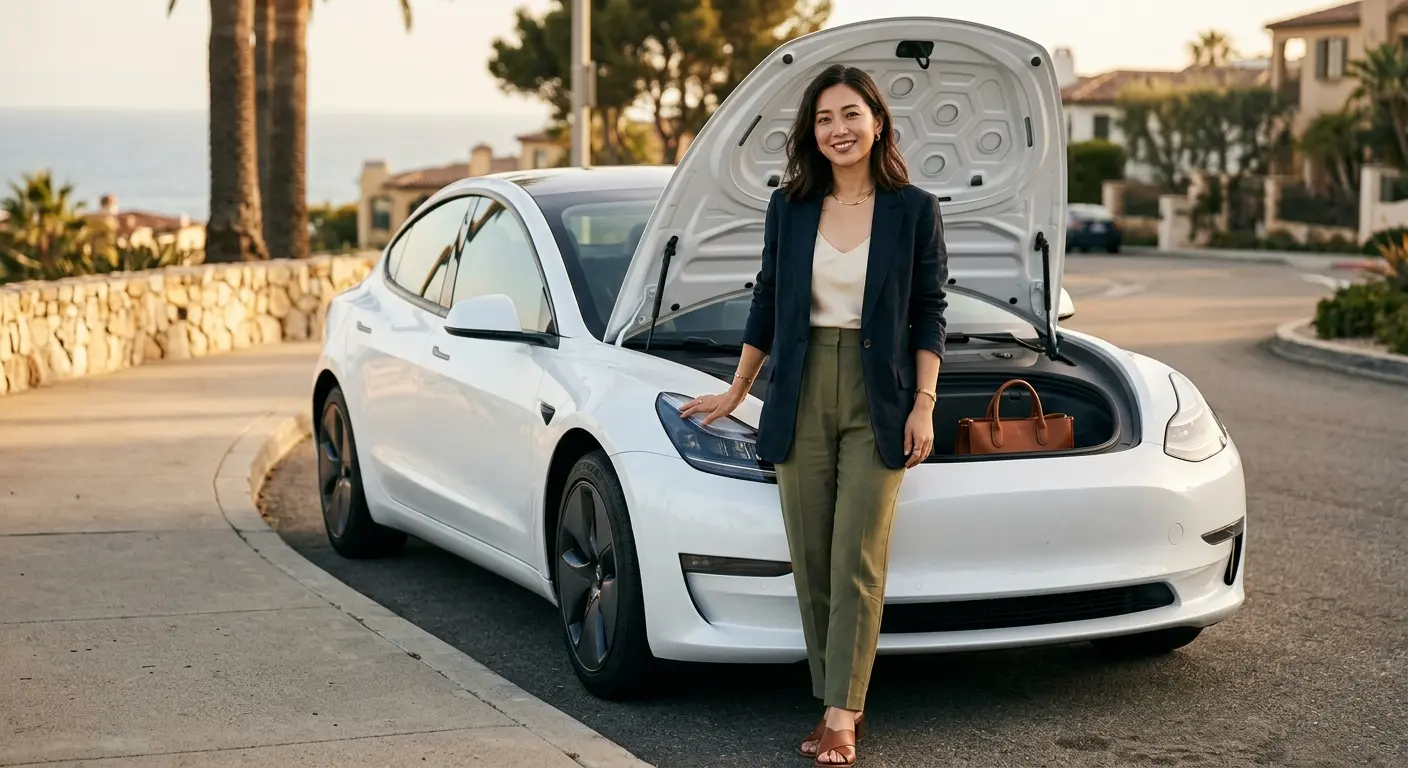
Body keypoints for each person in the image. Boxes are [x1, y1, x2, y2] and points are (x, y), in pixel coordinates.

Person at [678, 63, 949, 767]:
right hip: (798, 391)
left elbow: (929, 314)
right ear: (811, 132)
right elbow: (767, 300)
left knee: (858, 554)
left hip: (879, 395)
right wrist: (739, 389)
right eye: (825, 119)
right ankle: (831, 692)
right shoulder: (789, 207)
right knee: (812, 557)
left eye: (851, 115)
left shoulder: (913, 209)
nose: (838, 130)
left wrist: (924, 405)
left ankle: (841, 713)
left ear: (878, 121)